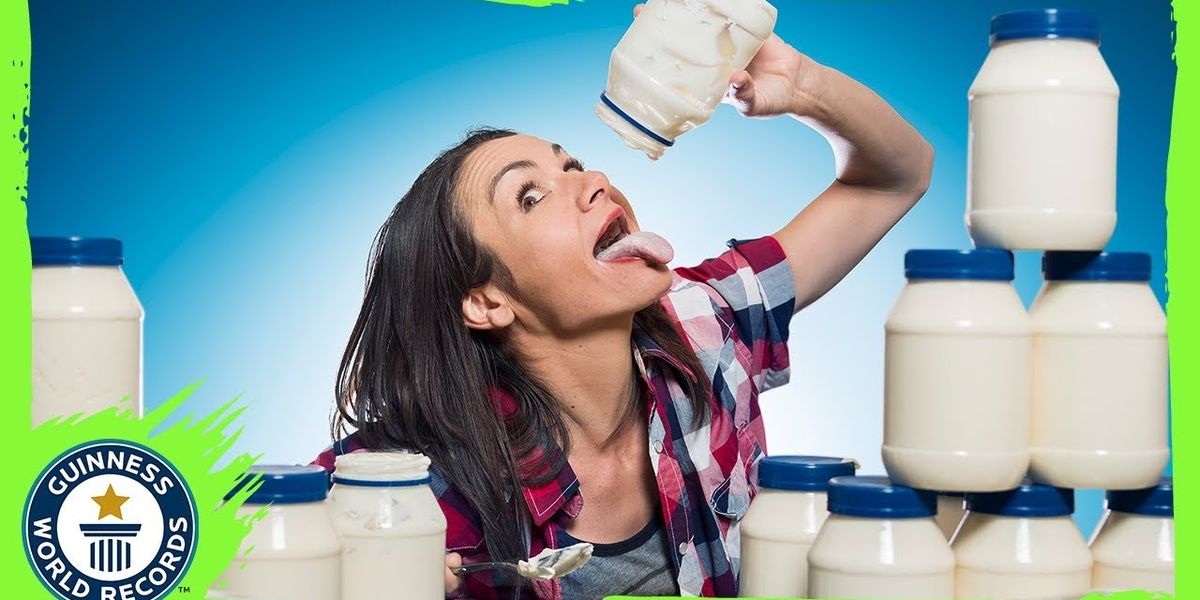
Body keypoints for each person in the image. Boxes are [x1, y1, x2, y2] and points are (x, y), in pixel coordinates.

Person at [311, 8, 932, 598]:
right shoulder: (404, 486)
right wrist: (350, 569)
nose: (592, 181)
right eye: (530, 196)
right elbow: (237, 540)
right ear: (486, 300)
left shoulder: (704, 319)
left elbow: (896, 174)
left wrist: (800, 84)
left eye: (572, 164)